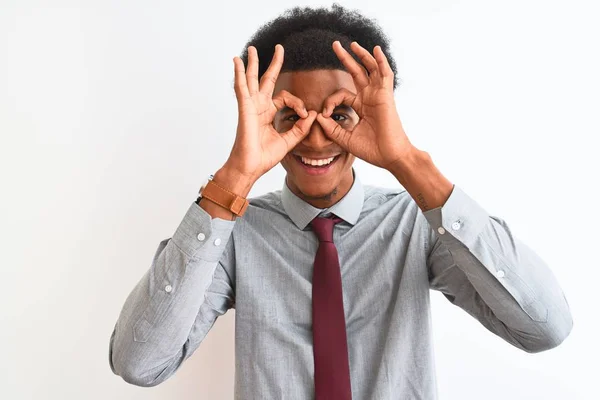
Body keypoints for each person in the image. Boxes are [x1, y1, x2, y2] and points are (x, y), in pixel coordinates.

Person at [108, 4, 573, 399]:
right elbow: (139, 363)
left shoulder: (418, 225)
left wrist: (408, 161)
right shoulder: (233, 235)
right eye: (291, 116)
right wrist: (236, 174)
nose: (315, 139)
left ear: (372, 117)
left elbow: (544, 327)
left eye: (340, 115)